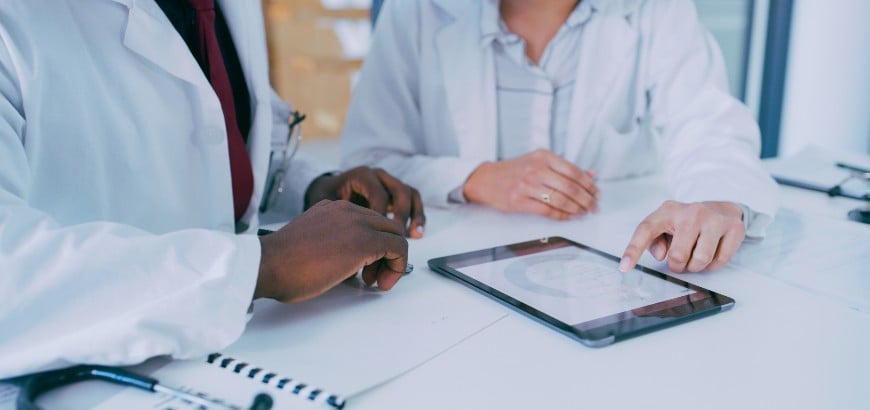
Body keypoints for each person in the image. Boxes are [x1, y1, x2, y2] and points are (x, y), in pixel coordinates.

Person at [0, 0, 425, 379]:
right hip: (93, 381)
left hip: (258, 350)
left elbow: (225, 131)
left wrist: (313, 187)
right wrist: (260, 267)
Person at [341, 0, 778, 274]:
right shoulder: (417, 9)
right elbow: (365, 163)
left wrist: (719, 200)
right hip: (448, 266)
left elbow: (707, 124)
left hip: (608, 266)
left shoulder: (654, 9)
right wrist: (476, 178)